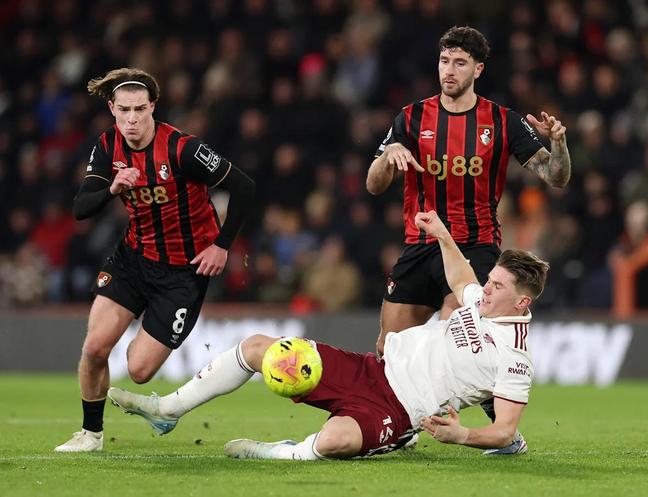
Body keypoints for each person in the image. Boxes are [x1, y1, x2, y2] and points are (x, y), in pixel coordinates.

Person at [107, 210, 549, 460]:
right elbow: (461, 277)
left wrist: (463, 435)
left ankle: (279, 453)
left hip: (399, 410)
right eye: (491, 280)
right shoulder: (481, 301)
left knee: (336, 440)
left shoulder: (514, 358)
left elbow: (506, 429)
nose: (486, 289)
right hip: (370, 370)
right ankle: (169, 409)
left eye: (498, 286)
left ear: (522, 302)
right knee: (258, 347)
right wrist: (442, 235)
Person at [366, 26, 570, 453]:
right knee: (388, 347)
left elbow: (555, 176)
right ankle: (397, 425)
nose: (449, 70)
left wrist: (559, 144)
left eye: (460, 63)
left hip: (474, 247)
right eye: (445, 61)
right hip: (420, 244)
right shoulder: (411, 118)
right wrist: (388, 158)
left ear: (478, 69)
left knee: (458, 336)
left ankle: (504, 433)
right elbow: (373, 184)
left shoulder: (502, 121)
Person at [54, 68, 256, 452]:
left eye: (139, 110)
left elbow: (244, 186)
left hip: (183, 271)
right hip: (133, 258)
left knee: (139, 370)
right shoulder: (107, 146)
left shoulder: (183, 149)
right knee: (95, 348)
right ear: (112, 109)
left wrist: (222, 245)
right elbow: (81, 207)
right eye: (124, 110)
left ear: (152, 108)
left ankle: (161, 405)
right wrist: (112, 188)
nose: (131, 119)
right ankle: (91, 435)